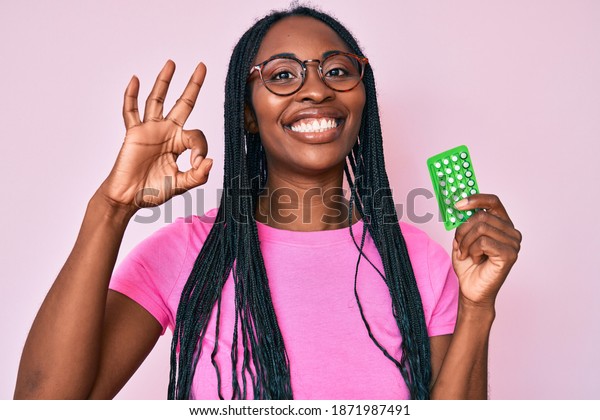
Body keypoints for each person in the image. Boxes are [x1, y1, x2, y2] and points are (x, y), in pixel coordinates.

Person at [14, 6, 521, 400]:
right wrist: (112, 208)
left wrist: (478, 308)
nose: (316, 91)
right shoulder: (187, 253)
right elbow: (47, 402)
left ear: (361, 101)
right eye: (282, 75)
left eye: (338, 71)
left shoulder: (421, 263)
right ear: (250, 115)